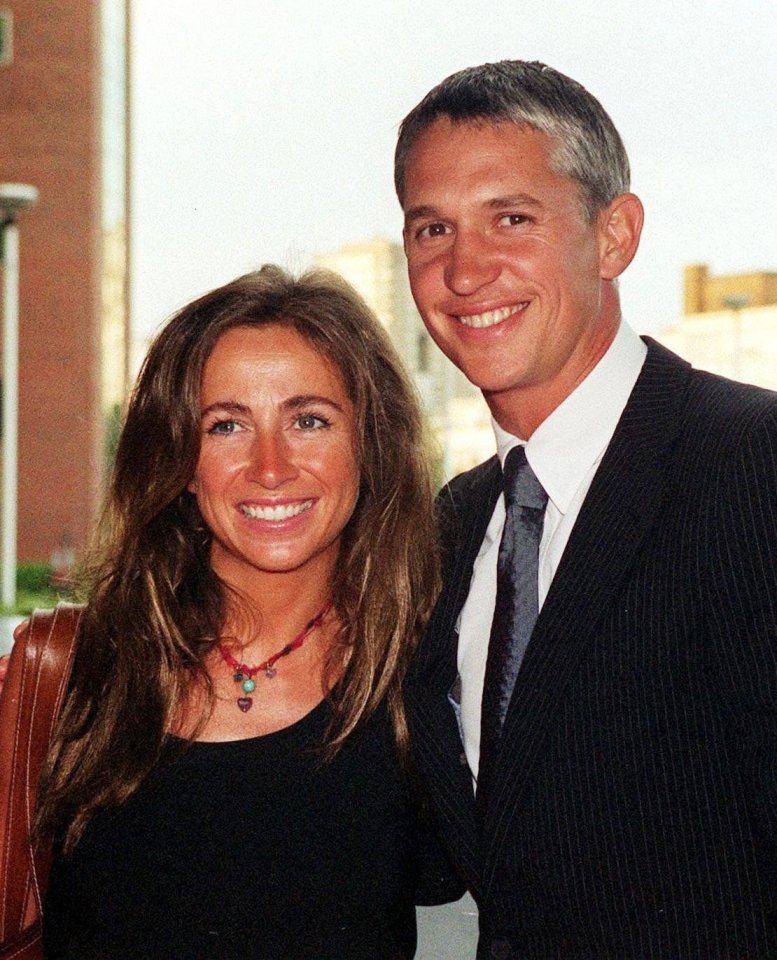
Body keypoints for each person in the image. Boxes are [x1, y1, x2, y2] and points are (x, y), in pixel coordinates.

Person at [395, 60, 777, 958]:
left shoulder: (751, 466)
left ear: (614, 236)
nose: (464, 270)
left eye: (512, 219)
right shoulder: (453, 525)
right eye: (431, 228)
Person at [23, 265, 461, 959]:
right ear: (182, 461)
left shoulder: (428, 676)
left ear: (369, 446)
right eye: (226, 425)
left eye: (308, 420)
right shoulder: (77, 674)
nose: (269, 466)